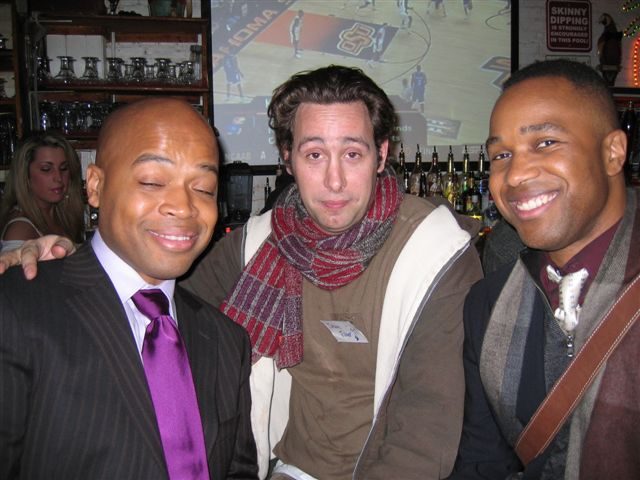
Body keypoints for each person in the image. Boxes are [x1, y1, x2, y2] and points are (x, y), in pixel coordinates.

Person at [0, 66, 483, 480]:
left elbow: (424, 433)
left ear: (382, 154)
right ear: (287, 159)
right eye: (314, 154)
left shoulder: (433, 252)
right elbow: (153, 292)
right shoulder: (259, 243)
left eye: (353, 154)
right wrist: (70, 259)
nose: (334, 180)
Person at [0, 98, 258, 479]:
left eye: (204, 188)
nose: (183, 206)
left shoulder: (227, 340)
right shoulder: (19, 308)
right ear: (95, 186)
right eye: (152, 182)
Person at [449, 59, 639, 479]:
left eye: (546, 143)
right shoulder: (487, 305)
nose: (515, 175)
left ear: (613, 152)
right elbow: (482, 461)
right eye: (501, 155)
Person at [0, 131, 84, 252]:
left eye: (64, 168)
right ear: (25, 175)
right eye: (46, 169)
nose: (58, 177)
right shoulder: (20, 229)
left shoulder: (61, 215)